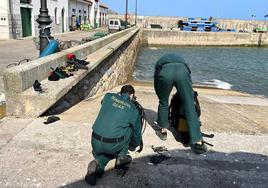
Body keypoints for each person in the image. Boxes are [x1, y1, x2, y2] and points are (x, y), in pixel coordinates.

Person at [85, 85, 143, 185]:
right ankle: (121, 157)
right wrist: (134, 145)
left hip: (95, 140)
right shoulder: (133, 110)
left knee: (106, 153)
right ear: (132, 95)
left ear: (120, 92)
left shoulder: (108, 96)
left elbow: (105, 103)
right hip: (111, 145)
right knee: (129, 129)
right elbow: (137, 133)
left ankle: (99, 164)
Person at [154, 53, 207, 154]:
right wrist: (188, 95)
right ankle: (198, 142)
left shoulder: (159, 62)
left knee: (163, 102)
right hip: (182, 71)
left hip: (165, 71)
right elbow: (189, 77)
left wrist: (161, 96)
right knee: (189, 105)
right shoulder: (182, 61)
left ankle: (163, 132)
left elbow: (156, 80)